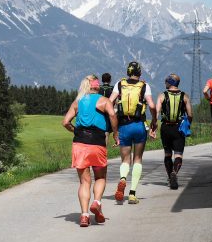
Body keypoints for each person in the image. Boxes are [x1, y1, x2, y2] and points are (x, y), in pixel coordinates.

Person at [62, 74, 119, 227]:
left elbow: (65, 122)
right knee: (100, 177)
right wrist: (116, 134)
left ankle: (84, 215)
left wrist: (75, 131)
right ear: (96, 86)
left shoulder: (77, 101)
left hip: (79, 144)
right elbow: (113, 115)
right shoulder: (103, 100)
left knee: (84, 182)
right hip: (97, 143)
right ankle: (97, 202)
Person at [108, 61, 157, 204]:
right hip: (139, 125)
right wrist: (154, 120)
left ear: (128, 72)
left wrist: (113, 120)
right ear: (140, 73)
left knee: (125, 160)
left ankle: (123, 178)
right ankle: (132, 194)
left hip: (123, 125)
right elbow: (152, 105)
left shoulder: (119, 84)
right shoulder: (144, 86)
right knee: (137, 159)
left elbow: (110, 101)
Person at [152, 74, 193, 190]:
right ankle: (175, 172)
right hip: (179, 128)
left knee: (167, 154)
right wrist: (187, 124)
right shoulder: (184, 97)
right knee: (178, 154)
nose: (165, 83)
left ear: (170, 82)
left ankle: (170, 177)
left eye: (166, 81)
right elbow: (190, 114)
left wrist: (153, 125)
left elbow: (156, 113)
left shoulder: (162, 96)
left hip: (165, 128)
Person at [98, 73, 114, 144]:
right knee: (107, 132)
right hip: (108, 112)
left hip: (98, 111)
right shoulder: (112, 89)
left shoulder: (98, 88)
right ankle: (104, 150)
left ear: (102, 80)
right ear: (110, 80)